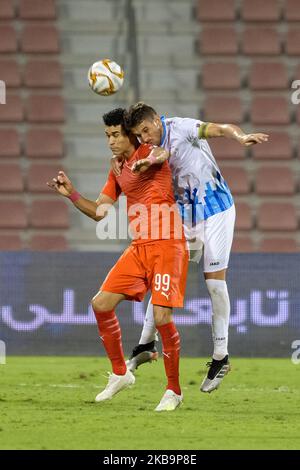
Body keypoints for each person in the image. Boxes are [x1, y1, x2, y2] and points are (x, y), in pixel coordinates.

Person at [111, 102, 268, 393]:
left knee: (215, 286)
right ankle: (146, 342)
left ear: (157, 120)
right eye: (138, 133)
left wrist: (240, 136)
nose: (144, 137)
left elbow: (219, 129)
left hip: (217, 211)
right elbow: (157, 155)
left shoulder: (183, 128)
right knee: (162, 275)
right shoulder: (147, 146)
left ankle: (221, 357)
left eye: (146, 130)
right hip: (184, 216)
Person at [47, 108, 189, 411]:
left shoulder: (149, 151)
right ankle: (121, 374)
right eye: (107, 136)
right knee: (100, 304)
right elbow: (100, 212)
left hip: (168, 245)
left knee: (163, 318)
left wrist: (149, 160)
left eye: (115, 135)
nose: (110, 141)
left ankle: (174, 391)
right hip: (140, 249)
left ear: (129, 135)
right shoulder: (117, 169)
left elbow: (163, 153)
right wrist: (71, 194)